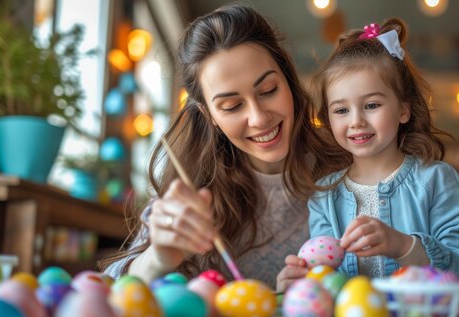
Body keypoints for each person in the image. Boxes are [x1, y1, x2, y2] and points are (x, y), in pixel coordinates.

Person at [100, 4, 349, 291]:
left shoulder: (345, 167)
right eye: (231, 106)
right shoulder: (192, 188)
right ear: (210, 116)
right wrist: (157, 257)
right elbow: (111, 287)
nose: (258, 118)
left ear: (288, 81)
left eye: (268, 90)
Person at [285, 18, 459, 279]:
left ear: (404, 109)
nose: (356, 121)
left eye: (371, 105)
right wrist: (304, 280)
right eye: (342, 110)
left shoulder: (437, 180)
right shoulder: (324, 196)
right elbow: (325, 279)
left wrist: (404, 246)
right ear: (328, 119)